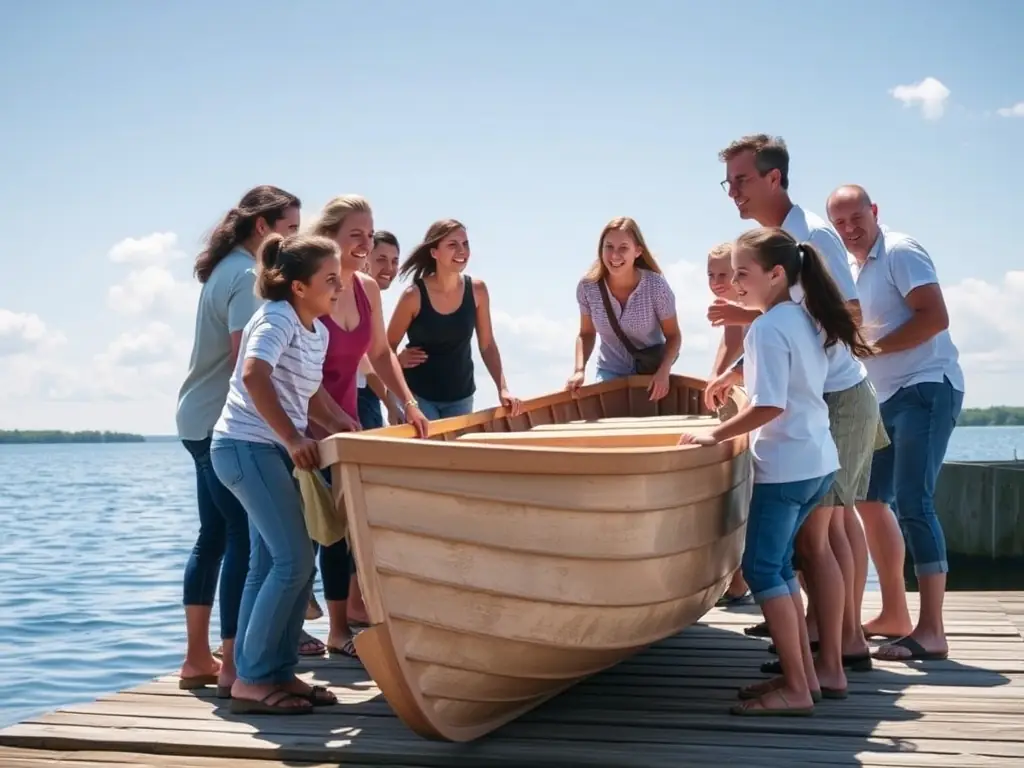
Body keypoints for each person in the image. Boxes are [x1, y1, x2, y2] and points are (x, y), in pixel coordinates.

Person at [681, 226, 871, 716]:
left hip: (786, 468)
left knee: (765, 569)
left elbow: (768, 404)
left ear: (776, 273)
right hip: (818, 461)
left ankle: (796, 689)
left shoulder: (766, 327)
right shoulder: (801, 317)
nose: (735, 283)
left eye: (743, 274)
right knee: (783, 566)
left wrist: (713, 435)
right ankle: (805, 679)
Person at [714, 135, 879, 689]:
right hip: (816, 404)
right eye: (729, 182)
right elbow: (797, 323)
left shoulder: (811, 237)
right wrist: (741, 359)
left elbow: (843, 313)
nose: (732, 191)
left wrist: (759, 332)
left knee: (825, 536)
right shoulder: (776, 263)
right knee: (819, 536)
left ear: (773, 179)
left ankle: (837, 653)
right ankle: (821, 652)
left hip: (834, 399)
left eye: (740, 180)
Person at [210, 232, 353, 715]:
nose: (340, 286)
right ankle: (251, 679)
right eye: (330, 279)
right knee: (294, 562)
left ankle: (273, 671)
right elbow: (253, 374)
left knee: (270, 565)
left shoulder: (319, 329)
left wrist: (341, 424)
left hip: (266, 450)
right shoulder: (275, 318)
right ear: (297, 287)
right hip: (246, 448)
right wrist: (294, 439)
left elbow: (308, 391)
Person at [827, 184, 965, 662]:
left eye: (856, 218)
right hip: (883, 397)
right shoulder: (849, 267)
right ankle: (894, 616)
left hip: (926, 387)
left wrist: (871, 349)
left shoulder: (901, 252)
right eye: (839, 223)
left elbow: (935, 317)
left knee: (914, 503)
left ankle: (932, 632)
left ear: (874, 212)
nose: (849, 229)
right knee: (867, 498)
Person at [174, 185, 299, 693]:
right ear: (264, 227)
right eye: (290, 227)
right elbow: (243, 364)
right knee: (244, 540)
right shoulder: (248, 275)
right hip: (217, 424)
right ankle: (231, 666)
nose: (296, 236)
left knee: (215, 537)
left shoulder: (224, 267)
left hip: (193, 418)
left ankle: (196, 660)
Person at [305, 196, 429, 658]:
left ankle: (340, 631)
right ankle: (293, 638)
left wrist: (408, 404)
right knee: (303, 536)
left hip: (345, 422)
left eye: (369, 234)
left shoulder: (367, 289)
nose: (364, 243)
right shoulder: (315, 285)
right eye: (355, 234)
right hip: (300, 422)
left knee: (345, 530)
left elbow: (379, 353)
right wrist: (333, 422)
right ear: (330, 236)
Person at [387, 218, 521, 419]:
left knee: (456, 451)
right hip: (418, 396)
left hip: (461, 397)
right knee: (430, 450)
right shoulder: (413, 296)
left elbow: (487, 345)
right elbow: (385, 347)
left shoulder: (478, 291)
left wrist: (503, 388)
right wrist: (398, 359)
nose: (462, 251)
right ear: (434, 253)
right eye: (452, 245)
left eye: (465, 244)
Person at [567, 217, 681, 400]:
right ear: (600, 249)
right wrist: (579, 370)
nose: (614, 255)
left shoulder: (656, 286)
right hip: (610, 371)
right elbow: (586, 333)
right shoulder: (588, 287)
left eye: (623, 248)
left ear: (637, 251)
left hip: (650, 374)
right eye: (609, 247)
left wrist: (664, 372)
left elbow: (674, 336)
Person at [706, 241, 752, 607]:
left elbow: (738, 349)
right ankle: (737, 580)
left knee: (744, 488)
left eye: (726, 274)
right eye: (712, 275)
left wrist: (720, 377)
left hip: (754, 401)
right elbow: (731, 342)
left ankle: (739, 582)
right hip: (742, 393)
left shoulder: (748, 303)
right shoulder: (739, 304)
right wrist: (714, 376)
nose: (719, 281)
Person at [355, 230, 402, 430]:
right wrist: (390, 402)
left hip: (367, 392)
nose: (389, 268)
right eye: (381, 259)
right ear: (366, 258)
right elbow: (363, 357)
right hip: (356, 393)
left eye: (395, 261)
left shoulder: (370, 294)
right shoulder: (359, 293)